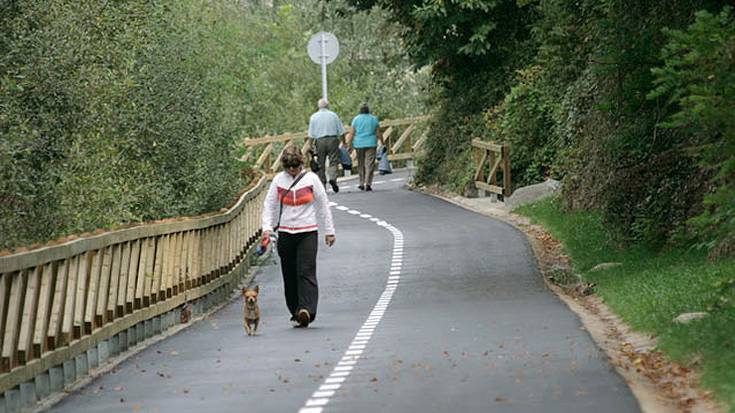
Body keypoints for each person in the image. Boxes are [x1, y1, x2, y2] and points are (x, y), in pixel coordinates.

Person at [261, 145, 336, 328]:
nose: (292, 170)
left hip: (307, 231)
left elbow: (323, 205)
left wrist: (329, 231)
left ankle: (307, 310)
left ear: (301, 163)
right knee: (289, 273)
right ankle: (295, 310)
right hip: (286, 233)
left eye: (295, 166)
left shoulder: (311, 179)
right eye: (289, 167)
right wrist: (266, 228)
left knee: (306, 271)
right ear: (284, 166)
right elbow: (269, 205)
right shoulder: (279, 181)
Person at [308, 98, 345, 193]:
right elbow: (341, 131)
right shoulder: (333, 115)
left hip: (320, 141)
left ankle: (322, 184)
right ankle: (332, 178)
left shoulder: (314, 117)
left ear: (318, 106)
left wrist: (310, 145)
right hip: (332, 140)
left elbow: (311, 134)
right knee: (333, 160)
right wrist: (343, 142)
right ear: (327, 106)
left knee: (320, 163)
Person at [346, 103, 383, 191]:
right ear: (368, 110)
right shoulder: (373, 119)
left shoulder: (356, 119)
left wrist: (349, 144)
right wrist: (382, 142)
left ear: (360, 111)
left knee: (361, 163)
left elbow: (351, 133)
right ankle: (368, 183)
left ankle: (361, 183)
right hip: (371, 143)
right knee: (369, 164)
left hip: (359, 144)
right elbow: (378, 133)